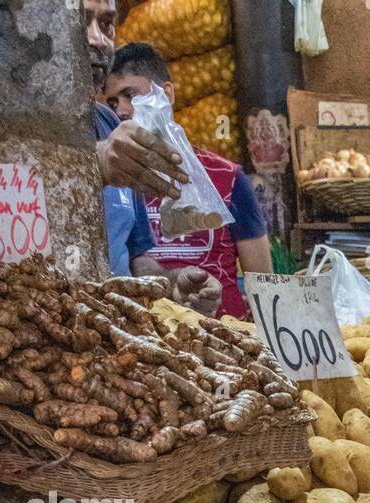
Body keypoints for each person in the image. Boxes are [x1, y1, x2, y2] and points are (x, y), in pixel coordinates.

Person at [106, 43, 272, 318]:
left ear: (166, 94)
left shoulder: (228, 178)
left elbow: (265, 286)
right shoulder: (116, 185)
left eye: (129, 95)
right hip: (151, 338)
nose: (121, 111)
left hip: (226, 336)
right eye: (112, 103)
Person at [83, 0, 221, 313]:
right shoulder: (11, 128)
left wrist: (171, 285)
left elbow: (136, 259)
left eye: (105, 24)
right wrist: (97, 162)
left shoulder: (109, 126)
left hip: (113, 334)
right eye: (82, 23)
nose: (97, 39)